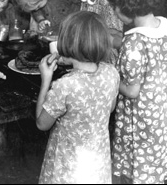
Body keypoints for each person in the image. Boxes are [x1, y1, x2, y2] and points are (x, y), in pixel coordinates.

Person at [106, 0, 167, 184]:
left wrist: (111, 75)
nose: (114, 10)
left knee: (139, 168)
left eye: (115, 5)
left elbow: (132, 91)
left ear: (127, 6)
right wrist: (158, 65)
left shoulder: (133, 42)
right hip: (163, 113)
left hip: (140, 118)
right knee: (155, 163)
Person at [36, 10, 120, 183]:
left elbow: (42, 124)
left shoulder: (65, 85)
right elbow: (110, 108)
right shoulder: (111, 73)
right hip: (96, 162)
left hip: (67, 165)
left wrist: (46, 80)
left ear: (67, 43)